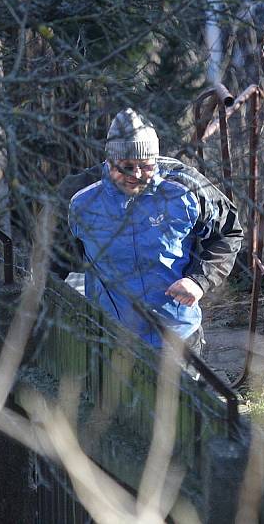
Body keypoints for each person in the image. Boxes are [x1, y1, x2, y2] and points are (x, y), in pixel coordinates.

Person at [68, 108, 243, 352]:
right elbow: (55, 258)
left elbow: (228, 234)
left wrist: (199, 281)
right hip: (111, 337)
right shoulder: (80, 199)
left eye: (146, 166)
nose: (137, 175)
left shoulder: (185, 188)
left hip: (178, 334)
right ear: (109, 162)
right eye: (126, 166)